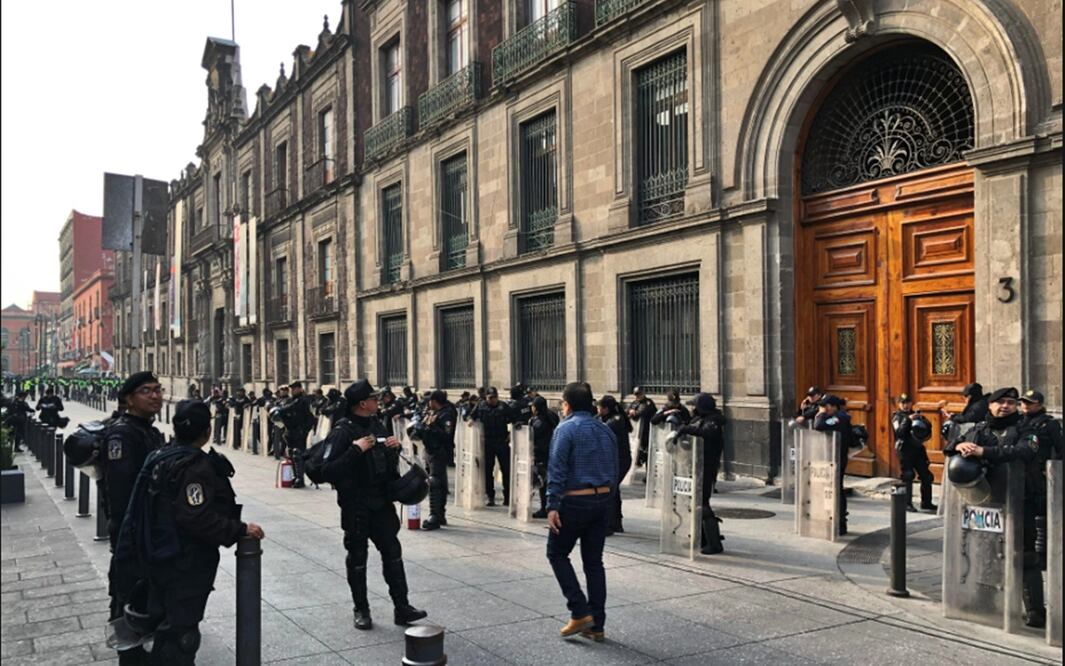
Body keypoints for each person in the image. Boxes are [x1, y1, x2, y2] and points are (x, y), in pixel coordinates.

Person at [144, 400, 265, 664]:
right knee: (181, 635)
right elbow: (196, 518)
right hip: (184, 561)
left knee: (167, 625)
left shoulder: (161, 455)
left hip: (160, 553)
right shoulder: (194, 467)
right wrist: (240, 529)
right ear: (208, 431)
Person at [317, 379, 427, 630]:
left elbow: (382, 465)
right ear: (363, 404)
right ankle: (361, 609)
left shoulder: (377, 424)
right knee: (358, 558)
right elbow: (326, 471)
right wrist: (355, 450)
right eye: (374, 399)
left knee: (393, 554)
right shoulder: (342, 431)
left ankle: (402, 607)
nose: (378, 402)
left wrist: (392, 448)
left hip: (381, 501)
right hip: (356, 504)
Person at [945, 387, 1054, 627]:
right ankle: (983, 600)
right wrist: (959, 448)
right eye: (1001, 402)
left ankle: (1035, 609)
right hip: (988, 502)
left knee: (1025, 555)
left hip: (1020, 501)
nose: (1006, 406)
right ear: (991, 405)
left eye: (1011, 403)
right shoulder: (980, 429)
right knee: (986, 551)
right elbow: (951, 445)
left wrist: (986, 452)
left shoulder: (1026, 429)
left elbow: (1026, 450)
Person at [546, 382, 618, 642]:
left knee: (556, 553)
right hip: (602, 501)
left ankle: (578, 610)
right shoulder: (605, 429)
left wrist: (552, 505)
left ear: (567, 404)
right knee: (594, 563)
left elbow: (557, 469)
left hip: (574, 502)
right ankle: (597, 624)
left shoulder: (565, 429)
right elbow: (617, 465)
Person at [105, 372, 166, 665]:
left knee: (149, 589)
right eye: (146, 391)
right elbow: (121, 491)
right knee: (127, 591)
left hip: (150, 528)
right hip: (131, 529)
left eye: (158, 389)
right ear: (129, 399)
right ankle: (129, 654)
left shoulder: (148, 430)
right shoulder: (121, 434)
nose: (155, 396)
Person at [676, 393, 727, 553]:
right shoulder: (701, 419)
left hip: (706, 467)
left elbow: (706, 433)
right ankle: (702, 538)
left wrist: (687, 429)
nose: (693, 409)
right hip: (696, 466)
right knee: (696, 503)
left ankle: (714, 543)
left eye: (695, 406)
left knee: (702, 504)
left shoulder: (713, 421)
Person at [812, 394, 852, 535]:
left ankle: (840, 522)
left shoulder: (840, 417)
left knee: (837, 490)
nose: (823, 408)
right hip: (831, 458)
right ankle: (832, 520)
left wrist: (820, 415)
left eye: (825, 406)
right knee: (832, 489)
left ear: (833, 406)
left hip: (837, 459)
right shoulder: (836, 416)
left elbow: (818, 425)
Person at [891, 394, 936, 513]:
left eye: (908, 402)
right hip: (905, 449)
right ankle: (907, 504)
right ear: (899, 404)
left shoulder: (916, 414)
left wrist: (923, 420)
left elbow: (926, 429)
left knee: (926, 475)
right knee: (908, 475)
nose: (905, 405)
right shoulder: (897, 417)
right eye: (903, 403)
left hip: (918, 449)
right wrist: (908, 420)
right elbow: (899, 432)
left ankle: (926, 502)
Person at [469, 387, 512, 506]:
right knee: (488, 470)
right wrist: (471, 421)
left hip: (501, 441)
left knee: (506, 470)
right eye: (490, 398)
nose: (493, 400)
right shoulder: (481, 406)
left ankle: (507, 496)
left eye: (495, 397)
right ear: (486, 398)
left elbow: (514, 419)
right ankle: (490, 496)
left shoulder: (503, 406)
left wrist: (510, 433)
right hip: (487, 442)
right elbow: (470, 416)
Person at [420, 390, 457, 530]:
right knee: (435, 482)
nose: (428, 403)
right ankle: (439, 514)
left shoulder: (447, 414)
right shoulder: (433, 412)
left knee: (435, 482)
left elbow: (446, 436)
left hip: (439, 452)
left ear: (435, 401)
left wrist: (432, 426)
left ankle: (435, 515)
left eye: (430, 401)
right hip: (430, 451)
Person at [596, 395, 631, 534]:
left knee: (609, 490)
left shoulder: (616, 420)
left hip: (620, 460)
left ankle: (610, 525)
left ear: (606, 409)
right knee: (613, 490)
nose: (597, 408)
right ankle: (616, 522)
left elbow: (600, 430)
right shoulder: (606, 418)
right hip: (613, 460)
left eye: (599, 406)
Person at [279, 381, 316, 488]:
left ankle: (300, 478)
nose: (292, 390)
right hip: (290, 431)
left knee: (298, 455)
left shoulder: (304, 400)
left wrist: (304, 430)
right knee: (291, 454)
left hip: (299, 431)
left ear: (300, 388)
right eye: (291, 389)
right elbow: (283, 411)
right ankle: (295, 476)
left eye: (294, 388)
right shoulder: (291, 400)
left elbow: (311, 418)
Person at [530, 395, 560, 520]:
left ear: (536, 408)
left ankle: (545, 508)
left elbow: (531, 437)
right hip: (552, 453)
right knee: (548, 482)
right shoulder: (552, 416)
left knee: (542, 483)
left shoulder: (538, 422)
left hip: (541, 455)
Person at [626, 387, 656, 468]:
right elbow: (627, 411)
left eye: (639, 394)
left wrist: (634, 412)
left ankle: (647, 474)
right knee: (638, 452)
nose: (637, 396)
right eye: (636, 394)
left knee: (647, 453)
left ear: (643, 393)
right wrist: (630, 411)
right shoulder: (634, 402)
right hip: (637, 433)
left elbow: (642, 411)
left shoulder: (648, 402)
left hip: (647, 432)